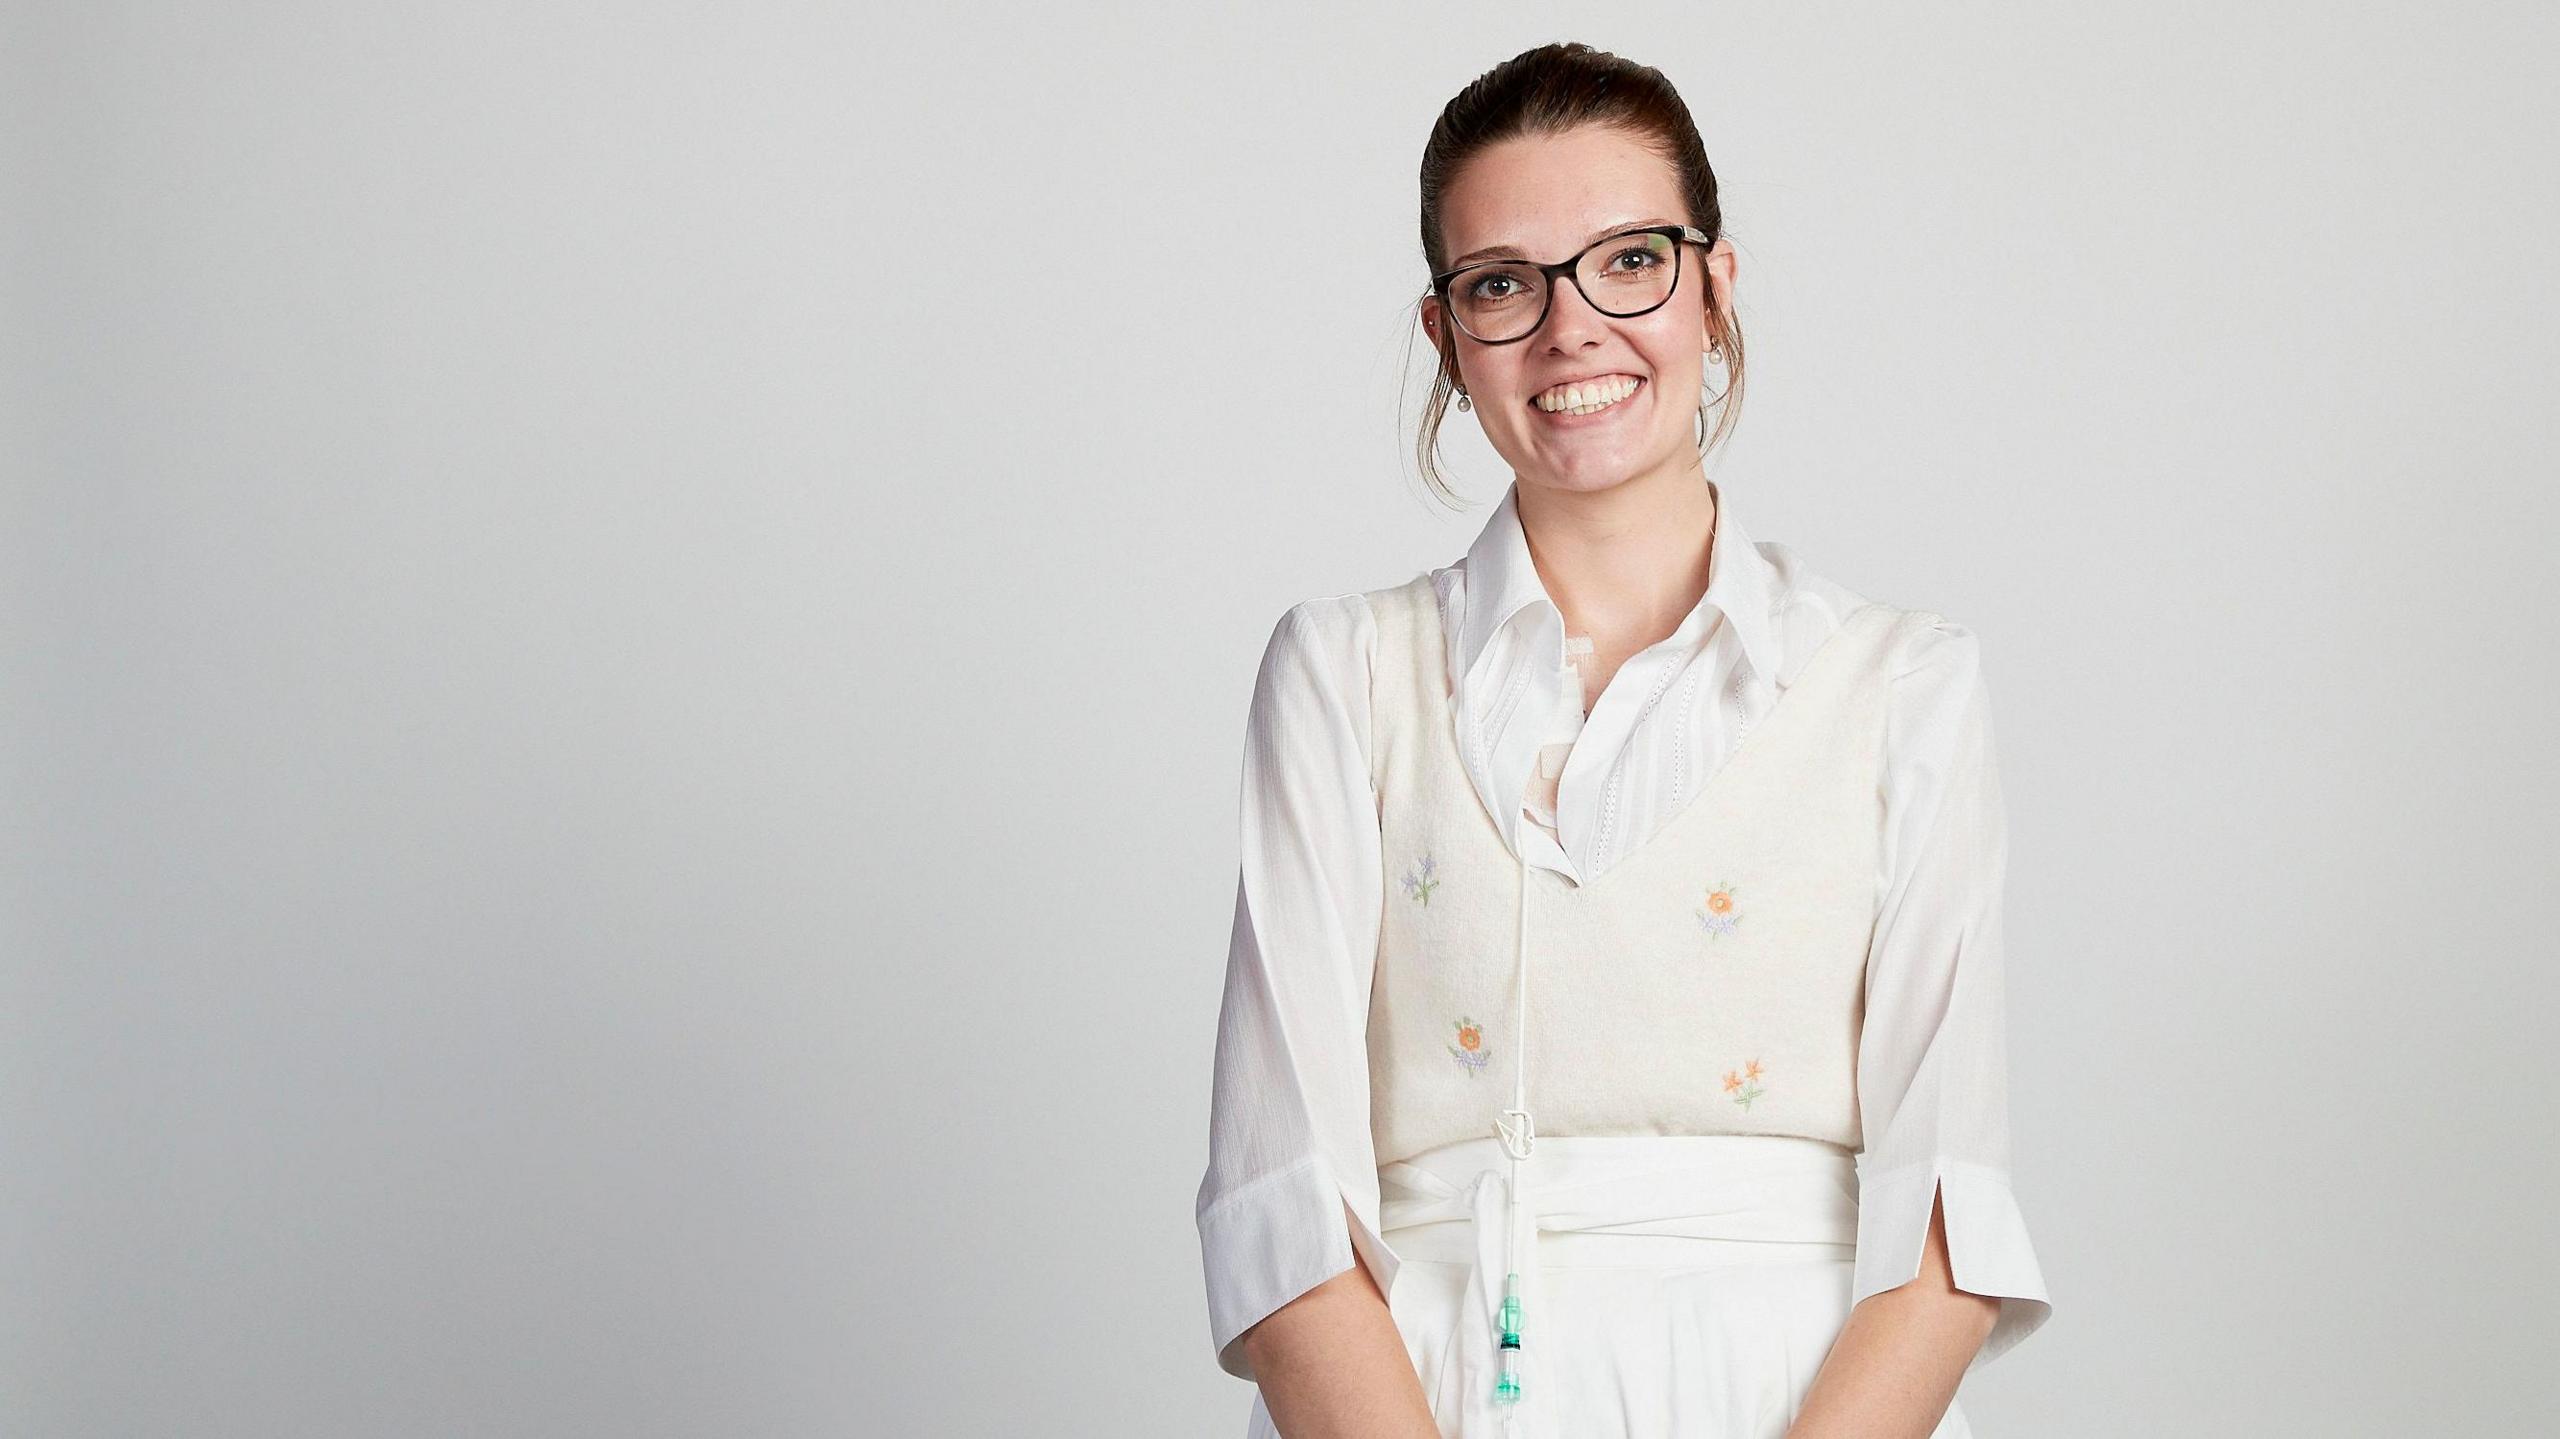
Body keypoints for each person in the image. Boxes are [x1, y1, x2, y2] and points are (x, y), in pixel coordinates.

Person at [1195, 41, 2053, 1439]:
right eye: (1502, 284)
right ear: (1445, 336)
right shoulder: (1346, 676)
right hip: (1427, 1396)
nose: (1570, 327)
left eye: (1629, 260)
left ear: (1715, 287)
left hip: (1807, 1394)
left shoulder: (1901, 684)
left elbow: (1946, 1221)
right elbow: (1281, 1213)